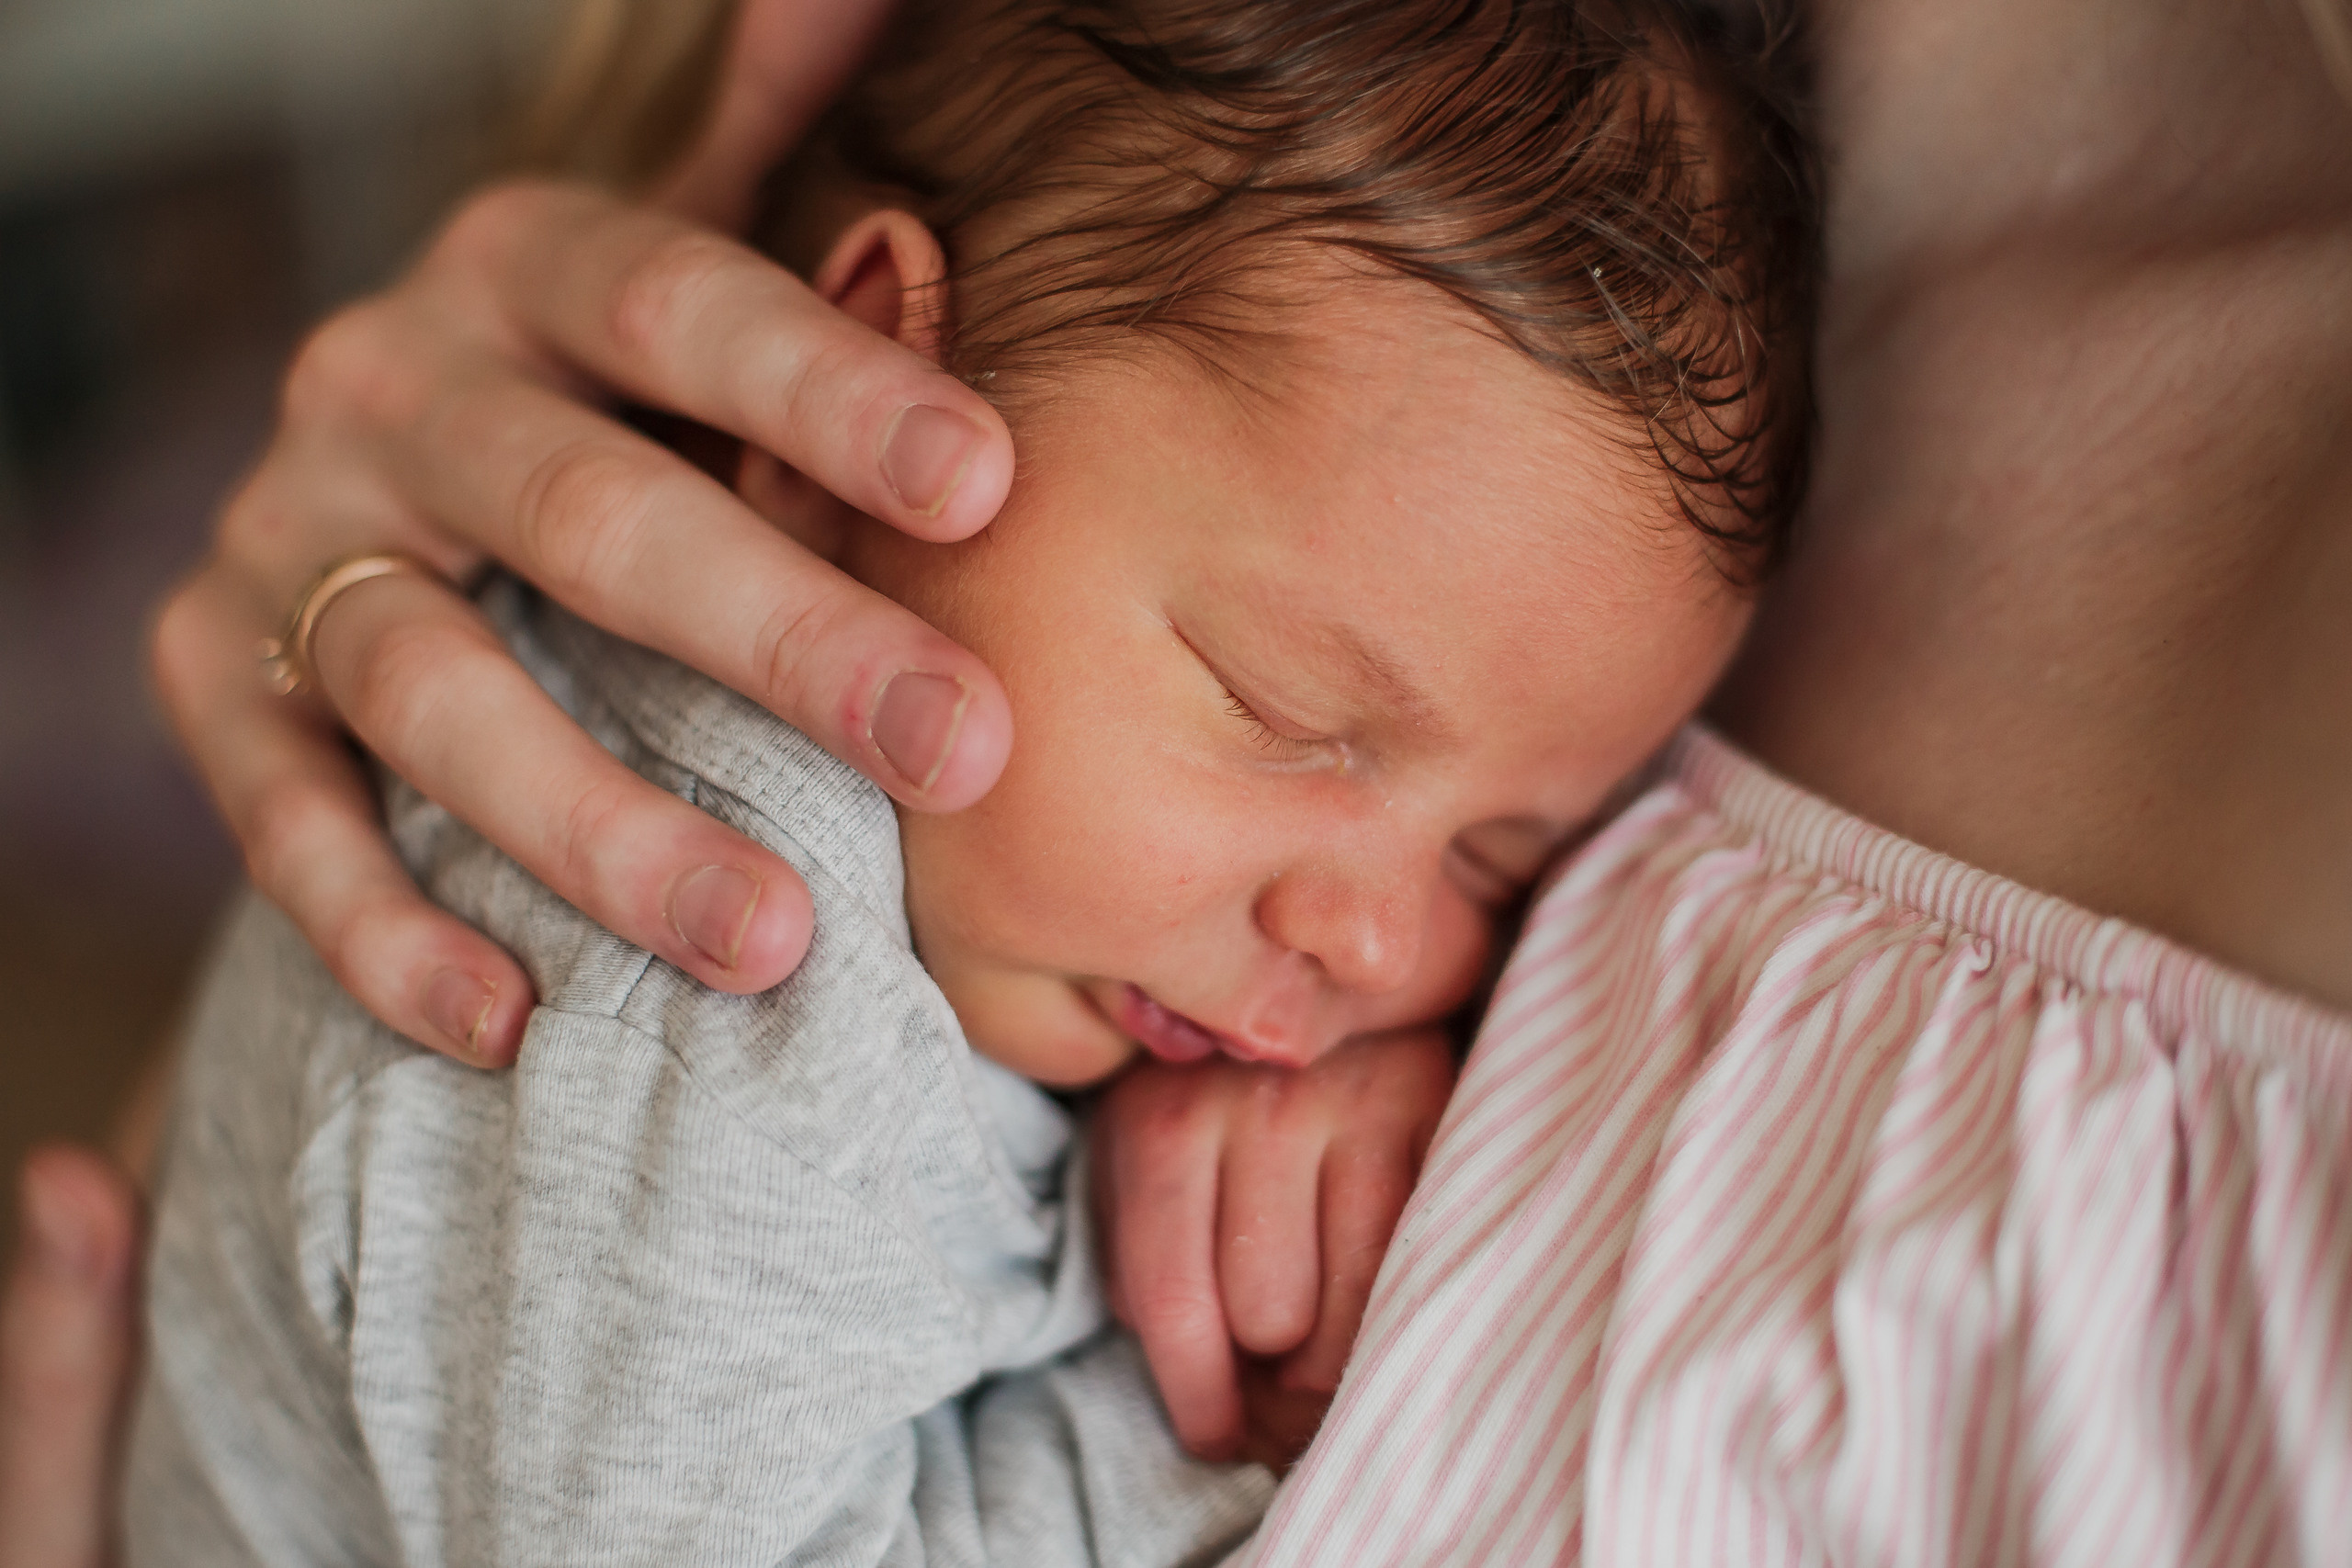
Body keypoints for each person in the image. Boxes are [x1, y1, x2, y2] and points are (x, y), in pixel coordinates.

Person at [4, 0, 2348, 1561]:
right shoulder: (712, 953)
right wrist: (1225, 1401)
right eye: (1287, 709)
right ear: (847, 404)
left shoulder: (969, 848)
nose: (1379, 936)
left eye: (1503, 854)